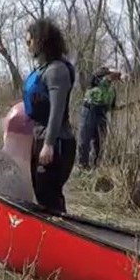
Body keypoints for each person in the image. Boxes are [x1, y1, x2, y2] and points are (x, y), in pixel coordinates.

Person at [21, 18, 77, 213]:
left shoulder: (57, 70)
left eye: (29, 41)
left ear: (41, 40)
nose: (27, 46)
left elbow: (57, 109)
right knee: (42, 193)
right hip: (41, 137)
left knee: (49, 196)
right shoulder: (43, 69)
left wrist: (49, 144)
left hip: (57, 142)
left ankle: (62, 235)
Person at [77, 67, 121, 169]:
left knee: (100, 141)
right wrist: (112, 75)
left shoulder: (112, 90)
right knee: (84, 140)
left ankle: (96, 166)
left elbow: (112, 106)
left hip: (102, 113)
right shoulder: (96, 86)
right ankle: (82, 166)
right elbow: (102, 83)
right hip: (89, 111)